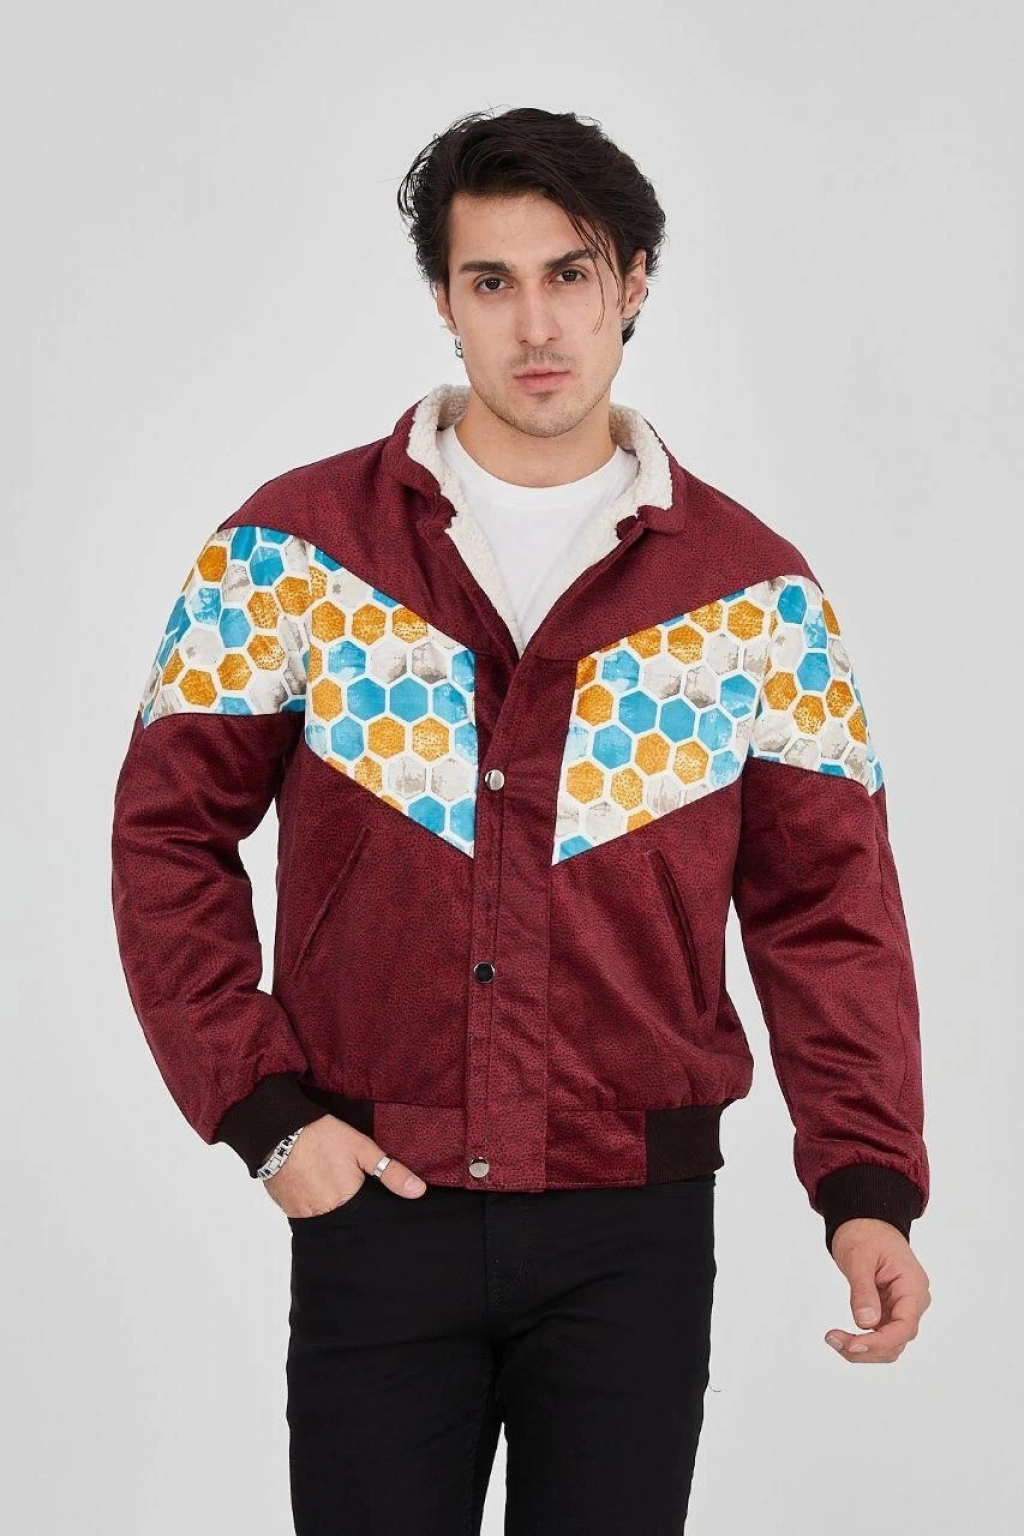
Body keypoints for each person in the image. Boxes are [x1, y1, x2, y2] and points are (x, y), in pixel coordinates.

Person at [110, 105, 932, 1534]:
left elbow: (829, 912)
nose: (536, 324)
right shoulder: (290, 554)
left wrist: (865, 1186)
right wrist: (264, 1117)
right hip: (377, 1199)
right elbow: (166, 836)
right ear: (444, 298)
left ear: (635, 284)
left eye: (572, 274)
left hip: (633, 1230)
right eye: (492, 280)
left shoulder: (756, 598)